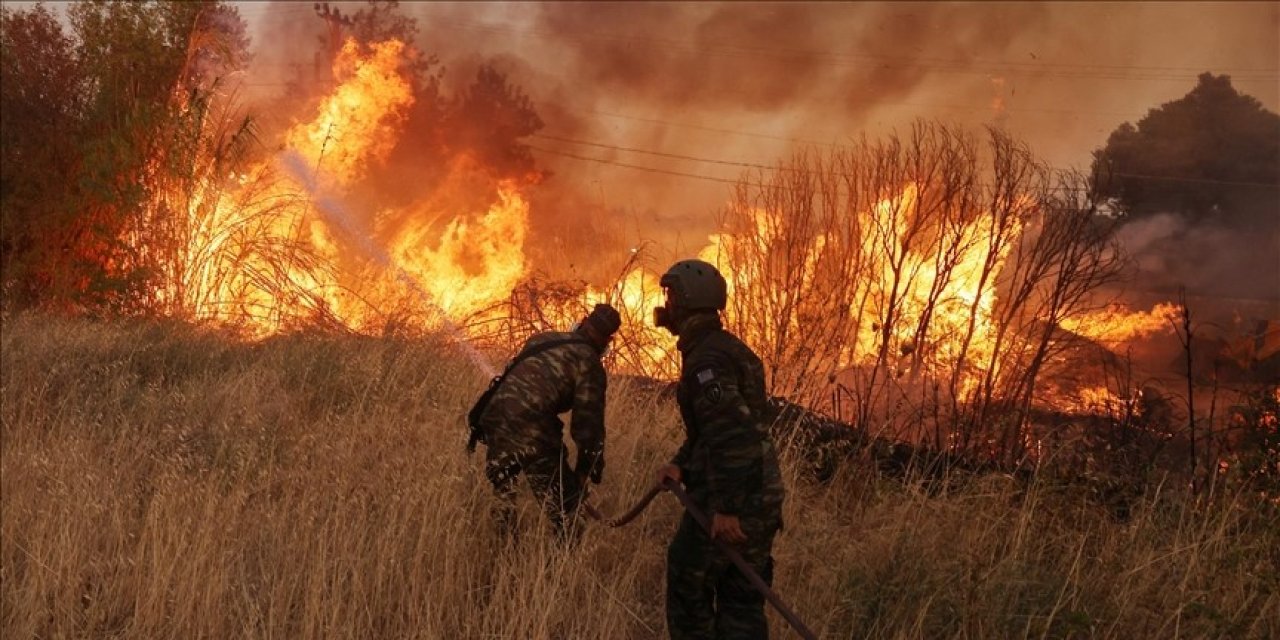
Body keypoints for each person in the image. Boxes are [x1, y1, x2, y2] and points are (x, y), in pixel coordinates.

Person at [653, 259, 785, 639]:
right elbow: (714, 432)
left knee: (688, 581)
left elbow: (734, 438)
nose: (667, 303)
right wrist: (681, 466)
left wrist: (727, 509)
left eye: (671, 294)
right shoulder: (726, 349)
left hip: (735, 498)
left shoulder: (705, 363)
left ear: (687, 301)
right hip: (760, 492)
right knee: (741, 600)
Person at [477, 303, 621, 537]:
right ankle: (556, 572)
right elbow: (588, 427)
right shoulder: (590, 364)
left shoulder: (541, 338)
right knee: (569, 516)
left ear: (582, 323)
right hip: (532, 429)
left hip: (495, 418)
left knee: (504, 500)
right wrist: (587, 472)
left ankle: (503, 561)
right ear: (607, 341)